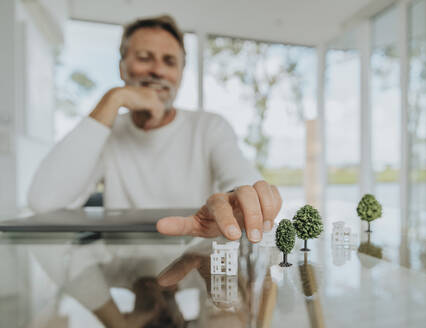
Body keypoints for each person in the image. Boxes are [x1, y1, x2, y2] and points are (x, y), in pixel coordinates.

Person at [28, 15, 282, 243]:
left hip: (193, 265)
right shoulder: (108, 133)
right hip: (121, 270)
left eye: (169, 61)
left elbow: (242, 181)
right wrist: (113, 99)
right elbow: (44, 202)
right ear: (122, 68)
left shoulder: (209, 127)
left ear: (181, 73)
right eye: (144, 58)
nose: (157, 71)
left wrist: (240, 198)